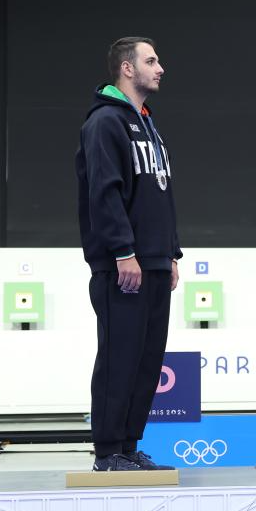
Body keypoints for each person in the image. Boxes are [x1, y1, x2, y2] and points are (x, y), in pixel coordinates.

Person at [76, 37, 180, 470]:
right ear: (126, 69)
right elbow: (104, 193)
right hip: (124, 266)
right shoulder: (105, 122)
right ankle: (107, 452)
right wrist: (122, 252)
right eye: (151, 61)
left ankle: (129, 446)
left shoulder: (147, 123)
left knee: (146, 362)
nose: (160, 68)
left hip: (154, 262)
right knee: (119, 358)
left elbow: (160, 193)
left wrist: (170, 254)